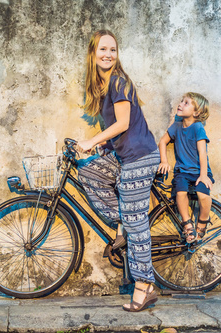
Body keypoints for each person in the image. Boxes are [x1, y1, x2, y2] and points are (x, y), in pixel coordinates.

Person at [77, 30, 160, 312]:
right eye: (103, 49)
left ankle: (144, 286)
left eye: (113, 49)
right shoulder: (101, 86)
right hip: (125, 156)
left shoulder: (119, 82)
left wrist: (91, 140)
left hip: (140, 157)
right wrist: (97, 149)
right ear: (93, 53)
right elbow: (114, 133)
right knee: (88, 172)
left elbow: (123, 123)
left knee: (137, 226)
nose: (108, 54)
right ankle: (125, 221)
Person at [157, 92, 214, 243]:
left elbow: (202, 152)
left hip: (199, 172)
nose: (180, 104)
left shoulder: (197, 127)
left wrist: (203, 175)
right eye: (181, 101)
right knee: (180, 193)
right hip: (182, 171)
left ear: (197, 112)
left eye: (186, 103)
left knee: (203, 195)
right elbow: (162, 142)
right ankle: (187, 223)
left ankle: (203, 221)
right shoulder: (176, 126)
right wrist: (164, 161)